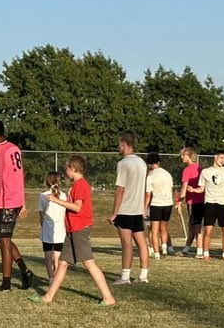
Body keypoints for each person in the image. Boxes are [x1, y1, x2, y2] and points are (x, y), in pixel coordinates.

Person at [30, 155, 115, 306]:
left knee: (89, 263)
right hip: (71, 230)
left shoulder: (81, 185)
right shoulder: (75, 185)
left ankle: (108, 297)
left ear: (73, 169)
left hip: (80, 229)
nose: (65, 171)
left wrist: (56, 200)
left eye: (67, 168)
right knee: (62, 264)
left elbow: (77, 207)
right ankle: (48, 296)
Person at [0, 119, 32, 291]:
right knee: (2, 238)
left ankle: (6, 283)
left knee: (4, 241)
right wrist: (23, 202)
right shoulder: (14, 148)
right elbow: (20, 177)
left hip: (5, 202)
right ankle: (24, 270)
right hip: (16, 200)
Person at [108, 131, 150, 284]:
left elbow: (120, 189)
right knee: (141, 242)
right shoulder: (141, 163)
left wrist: (114, 213)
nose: (118, 147)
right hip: (137, 210)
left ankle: (125, 276)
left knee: (126, 243)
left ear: (124, 144)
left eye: (119, 144)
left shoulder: (123, 163)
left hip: (126, 209)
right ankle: (143, 275)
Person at [188, 149, 224, 260]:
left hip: (223, 203)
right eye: (221, 157)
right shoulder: (205, 172)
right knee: (208, 230)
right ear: (215, 156)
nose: (223, 160)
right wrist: (193, 190)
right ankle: (206, 253)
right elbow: (202, 188)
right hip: (210, 204)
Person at [38, 171, 67, 282]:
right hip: (60, 227)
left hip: (47, 227)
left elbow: (41, 215)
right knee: (58, 254)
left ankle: (51, 277)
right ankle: (57, 275)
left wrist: (43, 226)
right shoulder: (64, 195)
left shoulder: (43, 195)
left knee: (48, 253)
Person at [144, 152, 174, 259]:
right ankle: (164, 248)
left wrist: (144, 208)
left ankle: (156, 253)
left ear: (149, 164)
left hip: (156, 203)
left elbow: (148, 194)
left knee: (154, 230)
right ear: (159, 162)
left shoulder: (150, 176)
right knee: (164, 227)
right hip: (168, 203)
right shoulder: (167, 174)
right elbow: (171, 189)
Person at [178, 147, 204, 257]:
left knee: (196, 226)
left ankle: (199, 251)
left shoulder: (187, 170)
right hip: (202, 200)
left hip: (193, 201)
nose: (181, 157)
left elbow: (184, 187)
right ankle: (186, 249)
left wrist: (179, 201)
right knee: (192, 225)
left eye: (183, 155)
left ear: (188, 155)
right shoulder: (201, 168)